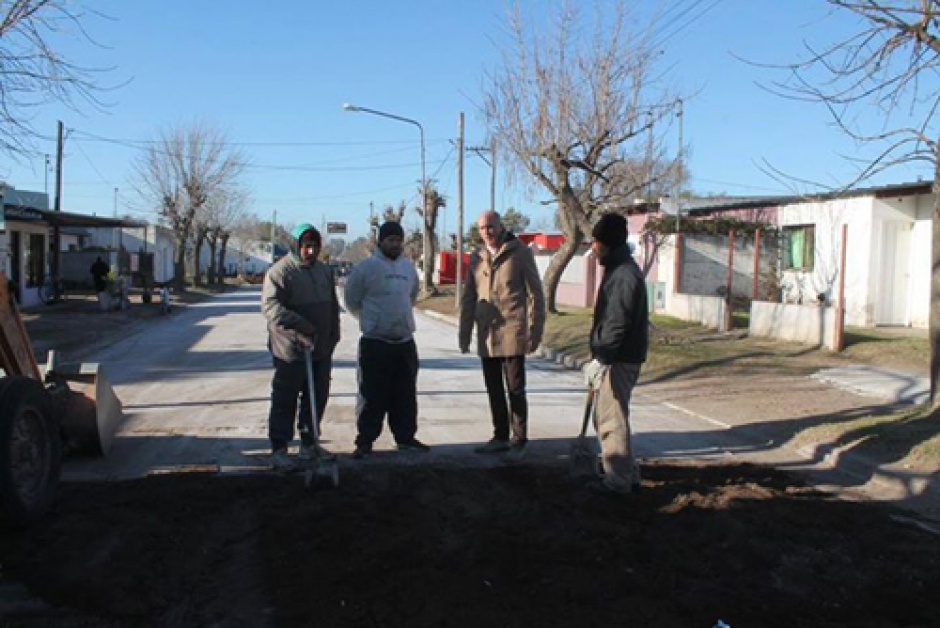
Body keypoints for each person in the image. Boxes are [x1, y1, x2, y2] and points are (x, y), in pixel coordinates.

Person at [459, 210, 545, 462]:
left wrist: (535, 331)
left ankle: (519, 438)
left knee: (515, 389)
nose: (488, 231)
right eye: (483, 228)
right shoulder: (476, 257)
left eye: (491, 226)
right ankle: (500, 436)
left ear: (500, 226)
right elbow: (468, 297)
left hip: (512, 332)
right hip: (487, 334)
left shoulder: (520, 253)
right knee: (493, 388)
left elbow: (536, 295)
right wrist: (465, 333)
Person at [344, 221, 429, 459]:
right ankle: (365, 440)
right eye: (390, 239)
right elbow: (351, 300)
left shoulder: (408, 268)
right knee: (371, 394)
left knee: (405, 394)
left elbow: (412, 296)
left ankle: (405, 437)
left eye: (398, 240)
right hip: (375, 343)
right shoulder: (366, 268)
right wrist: (371, 321)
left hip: (404, 342)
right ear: (380, 241)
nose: (395, 244)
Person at [261, 223, 341, 472]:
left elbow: (332, 306)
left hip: (320, 348)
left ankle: (309, 443)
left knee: (316, 395)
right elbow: (271, 308)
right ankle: (279, 447)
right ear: (296, 246)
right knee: (286, 396)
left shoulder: (324, 272)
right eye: (305, 246)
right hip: (290, 349)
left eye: (314, 247)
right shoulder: (280, 272)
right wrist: (301, 326)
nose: (310, 251)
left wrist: (332, 336)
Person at [583, 212, 648, 494]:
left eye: (595, 241)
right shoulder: (619, 268)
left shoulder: (623, 274)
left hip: (619, 359)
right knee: (614, 417)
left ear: (607, 243)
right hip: (620, 357)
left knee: (611, 421)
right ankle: (627, 474)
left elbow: (616, 321)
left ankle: (617, 482)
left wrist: (603, 358)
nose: (592, 246)